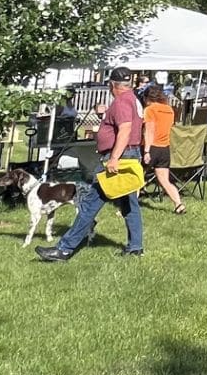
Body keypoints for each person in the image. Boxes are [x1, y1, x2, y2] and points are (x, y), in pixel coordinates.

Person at [38, 67, 144, 261]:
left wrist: (114, 158)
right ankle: (135, 247)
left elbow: (125, 130)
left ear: (112, 85)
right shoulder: (133, 99)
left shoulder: (121, 102)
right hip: (129, 154)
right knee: (129, 204)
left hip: (118, 158)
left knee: (89, 204)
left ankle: (64, 249)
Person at [141, 83, 184, 214]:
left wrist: (147, 151)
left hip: (152, 147)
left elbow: (149, 130)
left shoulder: (150, 110)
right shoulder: (169, 110)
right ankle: (178, 204)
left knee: (138, 178)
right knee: (164, 180)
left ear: (148, 98)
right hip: (165, 148)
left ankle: (126, 209)